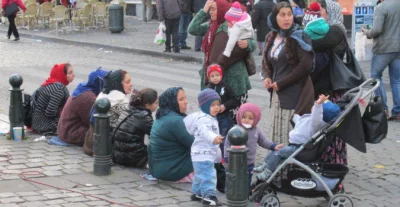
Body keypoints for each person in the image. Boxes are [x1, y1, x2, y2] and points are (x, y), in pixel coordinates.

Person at [188, 0, 256, 123]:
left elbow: (252, 41)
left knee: (233, 120)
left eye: (214, 9)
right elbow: (192, 29)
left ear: (222, 10)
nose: (211, 12)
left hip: (233, 79)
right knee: (214, 120)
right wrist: (203, 10)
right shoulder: (211, 25)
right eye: (210, 10)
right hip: (213, 78)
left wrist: (247, 44)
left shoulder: (233, 25)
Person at [261, 1, 314, 146]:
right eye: (282, 15)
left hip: (295, 94)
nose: (287, 19)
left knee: (289, 132)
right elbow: (266, 62)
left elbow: (305, 66)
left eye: (289, 14)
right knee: (277, 132)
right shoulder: (271, 37)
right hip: (277, 95)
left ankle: (291, 166)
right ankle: (278, 165)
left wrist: (282, 83)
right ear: (275, 18)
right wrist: (267, 77)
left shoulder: (298, 36)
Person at [254, 94, 341, 181]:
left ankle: (267, 172)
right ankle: (266, 164)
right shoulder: (309, 118)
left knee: (278, 152)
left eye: (316, 106)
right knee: (276, 148)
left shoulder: (316, 124)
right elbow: (299, 119)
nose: (314, 105)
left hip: (300, 150)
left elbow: (316, 116)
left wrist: (319, 104)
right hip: (294, 146)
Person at [311, 0, 350, 165]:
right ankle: (326, 157)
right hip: (326, 82)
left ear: (330, 11)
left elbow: (320, 44)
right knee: (325, 123)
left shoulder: (337, 30)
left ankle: (333, 160)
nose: (321, 14)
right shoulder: (331, 28)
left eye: (323, 11)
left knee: (331, 123)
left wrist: (302, 39)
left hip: (332, 85)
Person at [224, 103, 282, 189]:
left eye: (250, 118)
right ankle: (232, 194)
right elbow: (227, 144)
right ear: (239, 117)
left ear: (256, 119)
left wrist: (273, 146)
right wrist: (227, 158)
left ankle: (245, 194)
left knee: (246, 181)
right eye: (244, 117)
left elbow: (263, 141)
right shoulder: (234, 130)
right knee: (233, 180)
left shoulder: (256, 131)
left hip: (248, 163)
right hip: (234, 162)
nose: (246, 120)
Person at [184, 88, 224, 206]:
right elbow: (204, 131)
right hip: (204, 153)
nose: (216, 107)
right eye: (212, 105)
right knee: (209, 175)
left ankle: (197, 193)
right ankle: (209, 195)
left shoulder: (205, 117)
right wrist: (213, 138)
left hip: (199, 154)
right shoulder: (205, 120)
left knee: (200, 175)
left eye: (218, 104)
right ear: (205, 106)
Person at [362, 0, 400, 121]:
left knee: (375, 77)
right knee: (396, 80)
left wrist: (367, 33)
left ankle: (383, 109)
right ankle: (398, 111)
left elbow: (377, 29)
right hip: (398, 48)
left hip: (383, 48)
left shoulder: (381, 7)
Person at [147, 87, 195, 182]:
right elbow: (195, 144)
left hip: (160, 169)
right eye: (181, 99)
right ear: (172, 102)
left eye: (185, 98)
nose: (186, 102)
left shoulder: (163, 115)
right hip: (173, 171)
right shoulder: (175, 121)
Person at [83, 69, 132, 156]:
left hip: (89, 145)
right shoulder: (122, 102)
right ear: (118, 84)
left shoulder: (102, 96)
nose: (131, 85)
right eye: (127, 82)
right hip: (104, 150)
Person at [57, 68, 108, 145]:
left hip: (65, 129)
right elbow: (91, 122)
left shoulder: (84, 88)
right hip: (70, 133)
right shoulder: (88, 98)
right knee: (105, 135)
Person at [112, 88, 158, 168]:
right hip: (132, 158)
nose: (158, 105)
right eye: (156, 103)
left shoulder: (129, 108)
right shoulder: (143, 116)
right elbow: (156, 133)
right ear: (147, 105)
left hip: (116, 155)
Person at [31, 63, 75, 135]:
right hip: (45, 126)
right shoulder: (59, 89)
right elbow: (50, 112)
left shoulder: (51, 83)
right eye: (70, 73)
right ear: (62, 75)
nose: (73, 75)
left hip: (38, 123)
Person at [205, 64, 237, 157]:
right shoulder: (207, 88)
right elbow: (203, 101)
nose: (215, 78)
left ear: (221, 76)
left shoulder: (226, 87)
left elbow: (234, 100)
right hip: (212, 118)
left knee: (224, 137)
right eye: (212, 76)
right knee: (212, 136)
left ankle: (224, 156)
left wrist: (225, 106)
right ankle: (213, 155)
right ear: (209, 77)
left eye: (217, 75)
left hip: (224, 117)